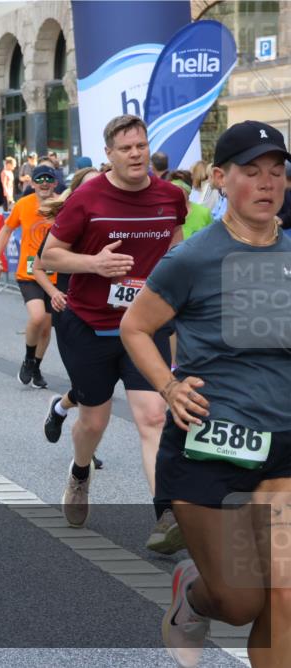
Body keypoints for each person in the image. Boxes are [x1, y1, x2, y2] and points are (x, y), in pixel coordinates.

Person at [120, 120, 291, 668]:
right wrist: (168, 386)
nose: (267, 183)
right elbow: (135, 327)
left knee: (285, 593)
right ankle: (193, 593)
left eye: (277, 171)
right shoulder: (193, 257)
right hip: (209, 445)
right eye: (250, 172)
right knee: (239, 602)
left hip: (282, 446)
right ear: (219, 179)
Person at [41, 114, 187, 555]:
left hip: (144, 326)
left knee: (153, 416)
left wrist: (176, 274)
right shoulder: (87, 197)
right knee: (94, 420)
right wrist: (95, 265)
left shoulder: (170, 195)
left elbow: (176, 241)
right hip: (90, 324)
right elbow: (49, 256)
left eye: (141, 145)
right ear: (110, 154)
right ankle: (80, 472)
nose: (137, 154)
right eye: (126, 148)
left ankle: (166, 515)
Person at [33, 167, 104, 471]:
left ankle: (62, 409)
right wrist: (52, 293)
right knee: (90, 385)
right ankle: (73, 426)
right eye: (90, 187)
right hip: (70, 310)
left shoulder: (111, 224)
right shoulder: (64, 227)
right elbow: (37, 267)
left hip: (108, 312)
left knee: (100, 387)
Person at [0, 164, 60, 389]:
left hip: (56, 276)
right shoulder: (23, 204)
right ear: (32, 183)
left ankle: (36, 367)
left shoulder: (62, 205)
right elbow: (6, 230)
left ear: (55, 183)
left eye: (49, 179)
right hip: (29, 273)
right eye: (40, 179)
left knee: (47, 327)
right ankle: (28, 358)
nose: (44, 183)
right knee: (37, 317)